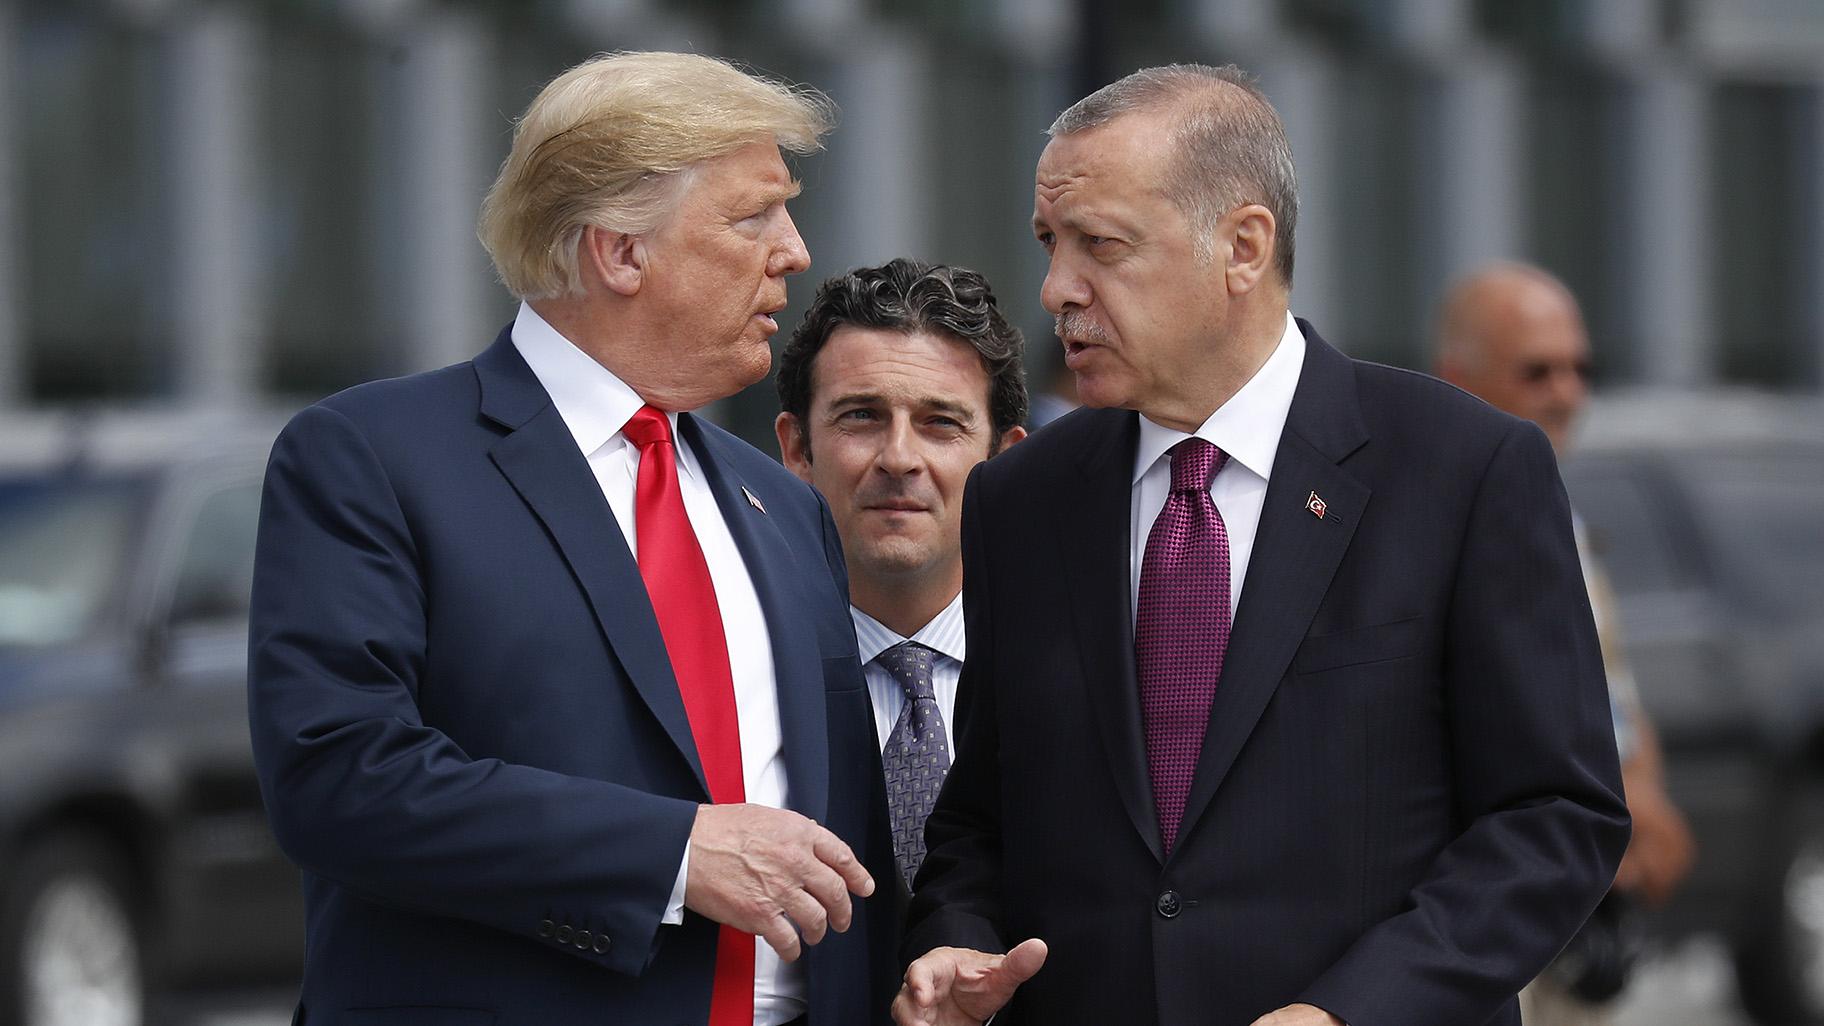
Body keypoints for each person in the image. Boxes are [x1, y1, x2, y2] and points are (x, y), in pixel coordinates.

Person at [895, 64, 1630, 1026]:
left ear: (1243, 246)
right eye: (1049, 243)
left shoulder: (1463, 469)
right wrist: (955, 939)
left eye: (1101, 245)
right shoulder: (1020, 498)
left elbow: (1553, 818)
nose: (1056, 289)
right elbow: (982, 818)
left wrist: (1348, 1013)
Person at [247, 52, 896, 1026]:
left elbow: (840, 823)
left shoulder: (781, 503)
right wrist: (673, 854)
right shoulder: (372, 458)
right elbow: (338, 776)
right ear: (619, 251)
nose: (796, 251)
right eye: (752, 215)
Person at [1435, 261, 1696, 1024]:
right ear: (1459, 376)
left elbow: (1607, 688)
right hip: (1486, 908)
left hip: (1573, 909)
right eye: (1537, 370)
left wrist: (1640, 788)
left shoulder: (1560, 514)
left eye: (1580, 368)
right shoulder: (1430, 521)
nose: (1567, 391)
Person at [772, 258, 1029, 897]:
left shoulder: (1081, 670)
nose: (899, 458)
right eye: (861, 416)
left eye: (941, 423)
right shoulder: (736, 669)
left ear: (1007, 461)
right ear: (798, 450)